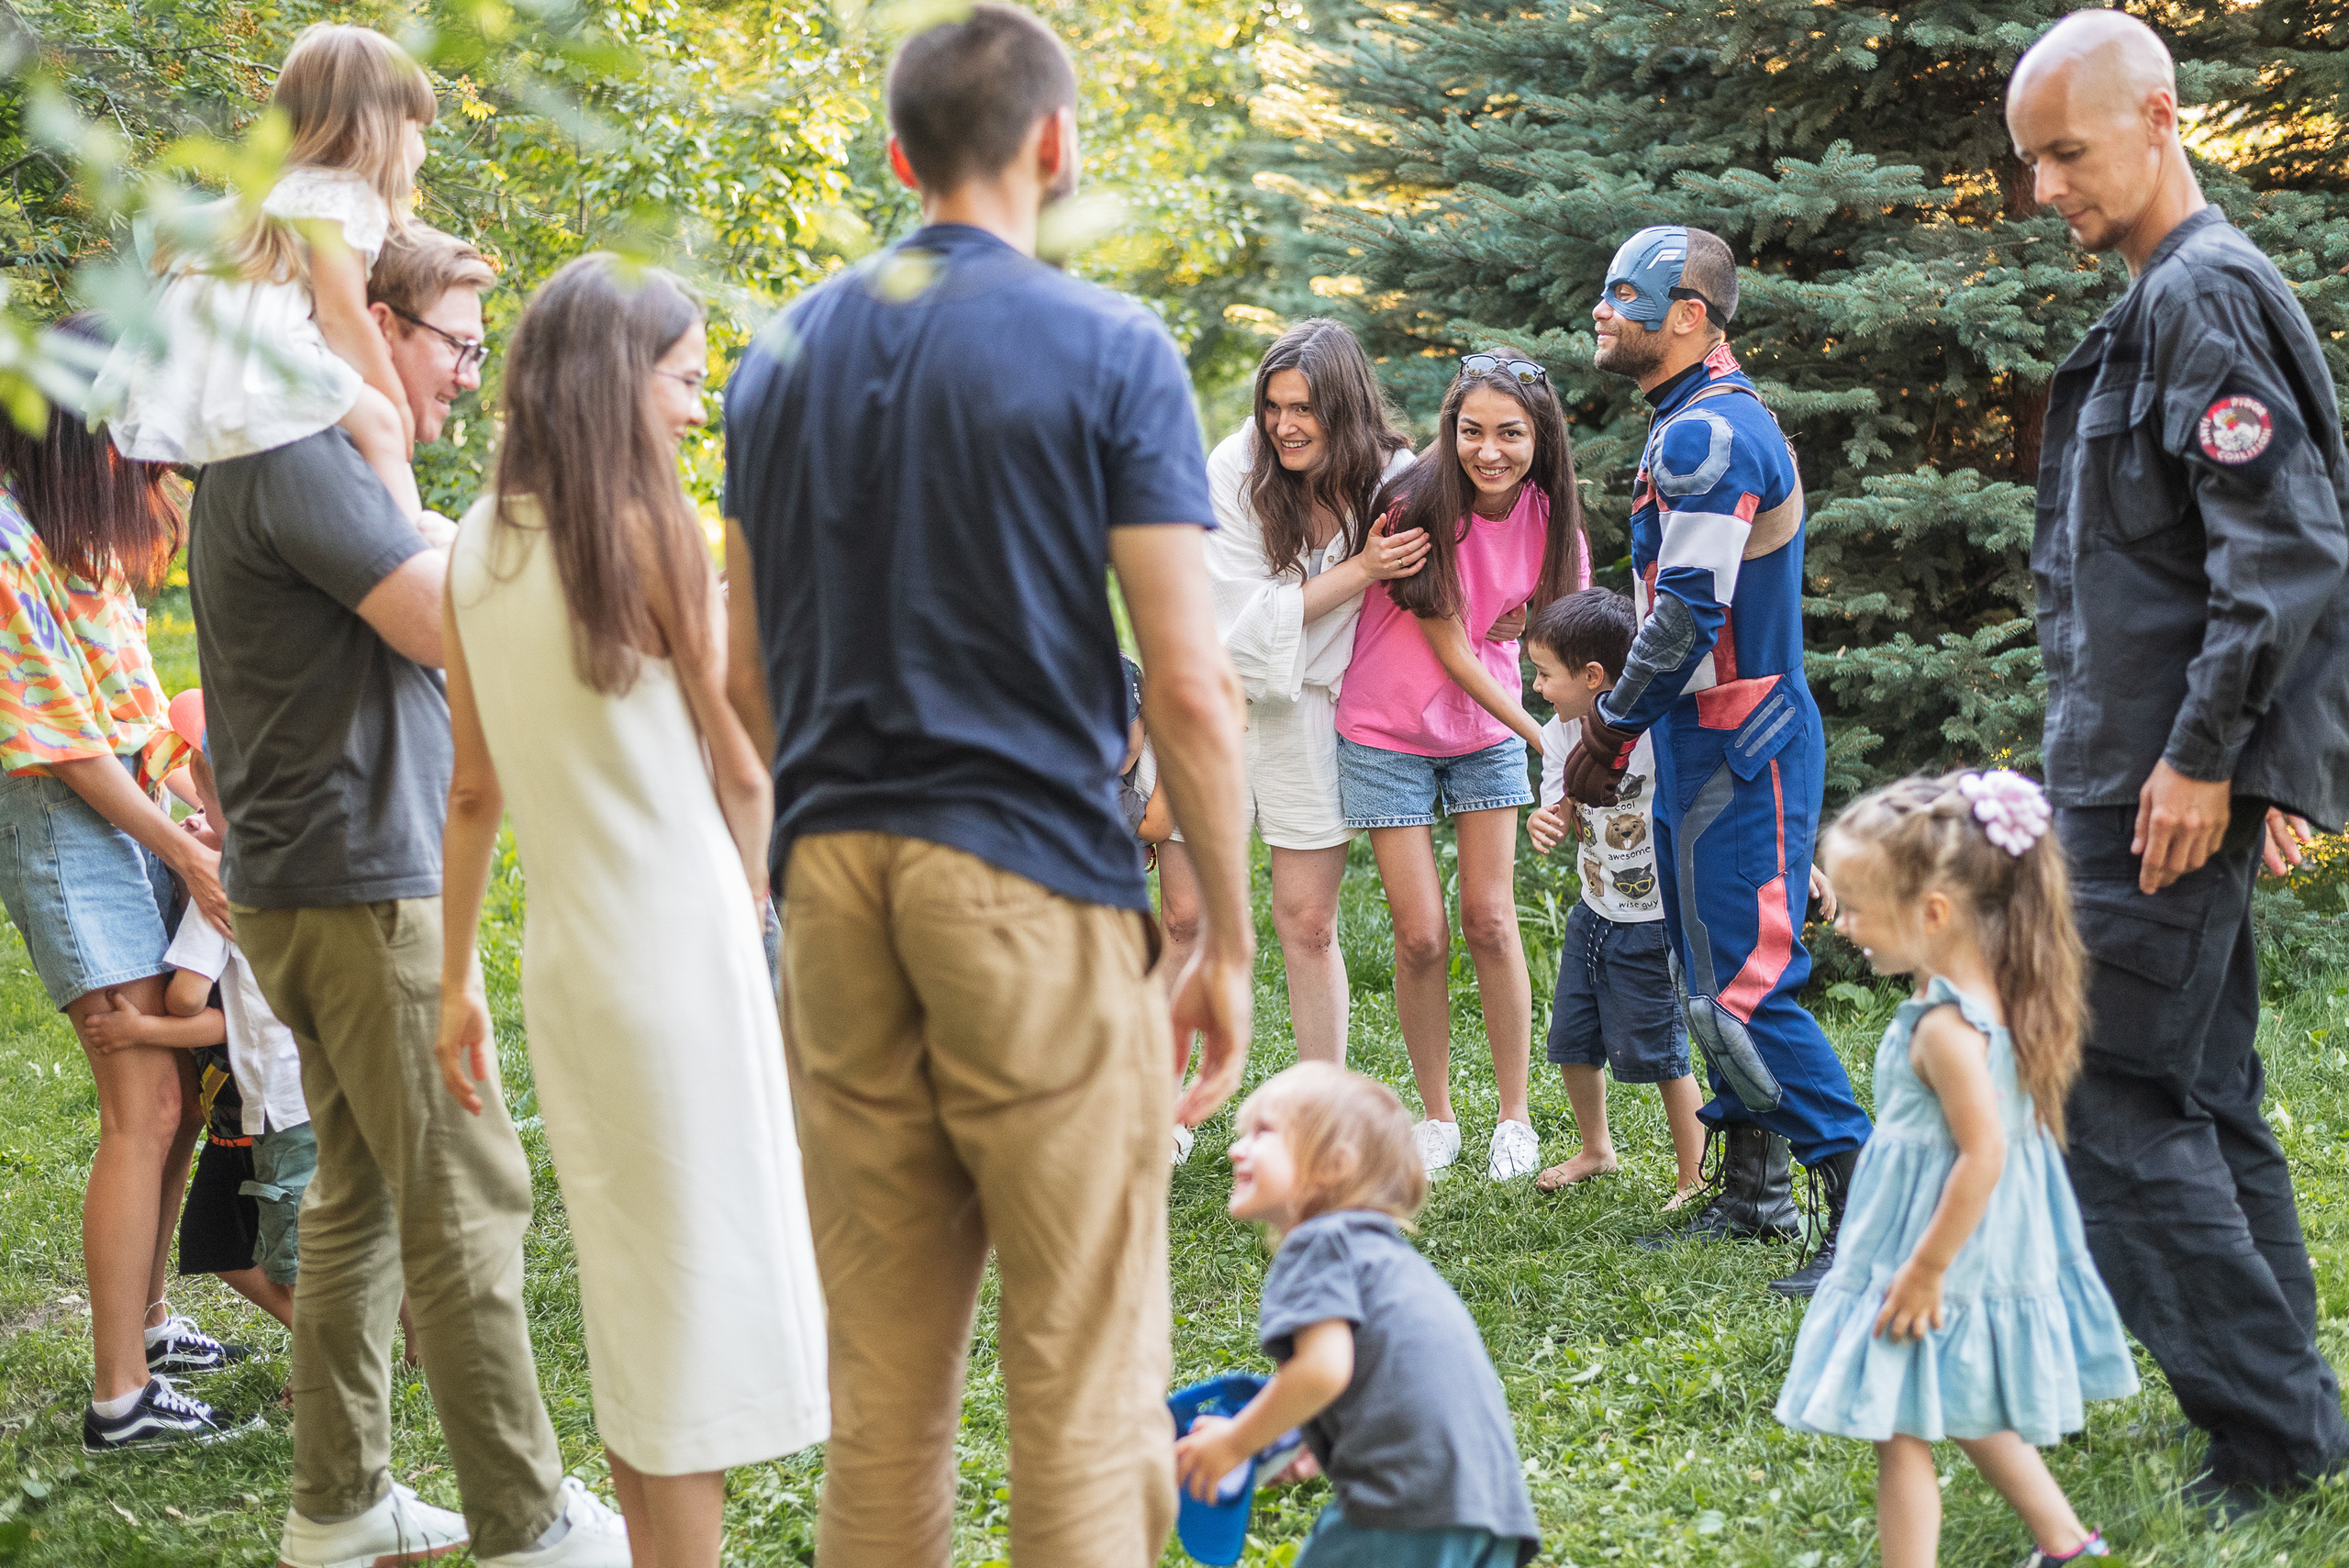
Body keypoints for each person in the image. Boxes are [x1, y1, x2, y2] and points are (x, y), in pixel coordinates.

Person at [719, 8, 1255, 1563]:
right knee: (1085, 1378)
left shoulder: (781, 355)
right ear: (1053, 144)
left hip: (829, 887)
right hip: (1029, 881)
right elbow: (1195, 685)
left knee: (883, 1392)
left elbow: (741, 685)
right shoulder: (1108, 346)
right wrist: (1214, 931)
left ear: (899, 158)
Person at [190, 223, 629, 1568]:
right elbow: (447, 625)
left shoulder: (307, 452)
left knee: (363, 1199)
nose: (465, 374)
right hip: (354, 885)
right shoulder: (301, 453)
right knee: (468, 1186)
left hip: (327, 875)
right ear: (372, 326)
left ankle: (338, 1502)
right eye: (452, 342)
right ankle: (525, 1517)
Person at [2007, 8, 2349, 1514]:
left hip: (2156, 779)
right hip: (2134, 764)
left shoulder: (2200, 297)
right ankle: (2292, 1406)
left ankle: (2269, 1430)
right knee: (2200, 1084)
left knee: (2106, 1091)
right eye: (2029, 161)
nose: (2042, 190)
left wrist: (2214, 758)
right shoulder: (2170, 294)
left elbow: (2282, 550)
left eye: (2065, 153)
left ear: (2159, 116)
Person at [438, 253, 829, 1568]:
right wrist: (783, 916)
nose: (695, 409)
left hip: (568, 967)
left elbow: (473, 790)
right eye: (682, 379)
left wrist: (453, 980)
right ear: (621, 378)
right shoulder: (658, 532)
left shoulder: (474, 543)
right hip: (682, 954)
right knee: (700, 1295)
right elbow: (737, 760)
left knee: (629, 1280)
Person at [1567, 226, 1873, 1296]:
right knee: (1706, 982)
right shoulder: (1686, 422)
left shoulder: (1710, 435)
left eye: (1624, 293)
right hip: (1696, 737)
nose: (1602, 309)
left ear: (1688, 314)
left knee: (1743, 990)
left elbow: (1692, 611)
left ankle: (1869, 1213)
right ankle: (1754, 1192)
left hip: (1740, 741)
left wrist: (1602, 728)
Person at [0, 311, 256, 1453]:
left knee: (185, 1097)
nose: (155, 458)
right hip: (67, 824)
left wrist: (195, 810)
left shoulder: (77, 537)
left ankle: (149, 1325)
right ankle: (120, 1401)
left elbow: (131, 697)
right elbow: (59, 737)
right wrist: (185, 844)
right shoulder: (6, 542)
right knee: (140, 1102)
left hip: (132, 814)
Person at [1776, 771, 2138, 1568]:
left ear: (1933, 913)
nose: (1846, 926)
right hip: (1967, 1236)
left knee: (1898, 1425)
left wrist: (1924, 1271)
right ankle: (2067, 1542)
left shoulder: (1946, 1027)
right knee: (1961, 1401)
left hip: (1936, 1246)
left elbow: (1984, 1153)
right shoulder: (1988, 986)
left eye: (1862, 907)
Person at [1333, 349, 1588, 1179]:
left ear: (1539, 436)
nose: (1490, 450)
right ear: (1450, 430)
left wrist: (1526, 624)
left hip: (1480, 734)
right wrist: (1541, 734)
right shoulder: (1415, 503)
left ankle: (1515, 1119)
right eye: (1472, 430)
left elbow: (1560, 624)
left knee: (1490, 918)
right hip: (1388, 727)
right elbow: (1450, 645)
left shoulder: (1555, 519)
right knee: (1421, 934)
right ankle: (1437, 1116)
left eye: (1510, 433)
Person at [1171, 1062, 1540, 1566]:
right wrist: (1303, 1437)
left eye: (1263, 1133)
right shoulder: (1378, 1256)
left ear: (1334, 1164)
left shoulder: (1317, 1242)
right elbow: (1388, 1377)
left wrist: (1236, 1443)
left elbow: (1323, 1370)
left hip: (1403, 1505)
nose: (1237, 1148)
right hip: (1489, 1507)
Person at [1197, 319, 1424, 1064]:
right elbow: (1236, 626)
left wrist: (1514, 611)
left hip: (1314, 709)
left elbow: (1455, 569)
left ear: (1346, 407)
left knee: (1308, 922)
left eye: (1304, 409)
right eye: (1274, 406)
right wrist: (1359, 569)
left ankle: (1318, 1103)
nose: (1284, 427)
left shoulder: (1395, 476)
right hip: (1217, 705)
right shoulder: (1235, 467)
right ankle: (1164, 1107)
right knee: (1187, 918)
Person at [93, 23, 433, 518]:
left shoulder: (288, 190)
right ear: (376, 125)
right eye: (417, 128)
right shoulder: (341, 199)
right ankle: (411, 533)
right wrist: (398, 401)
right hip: (268, 360)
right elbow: (343, 317)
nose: (422, 147)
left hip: (232, 356)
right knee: (380, 422)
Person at [77, 833, 310, 1335]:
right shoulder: (278, 878)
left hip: (271, 1116)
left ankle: (326, 1353)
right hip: (259, 1113)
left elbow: (195, 1006)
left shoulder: (218, 902)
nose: (187, 818)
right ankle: (379, 1333)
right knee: (232, 1240)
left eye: (203, 807)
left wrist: (141, 1026)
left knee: (291, 1254)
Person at [1524, 589, 1708, 1205]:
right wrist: (1544, 820)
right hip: (1595, 912)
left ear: (1593, 676)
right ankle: (1596, 1148)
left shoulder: (1654, 729)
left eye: (1547, 674)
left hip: (1653, 921)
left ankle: (1694, 1176)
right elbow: (1558, 802)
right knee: (1573, 1039)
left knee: (1663, 1053)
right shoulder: (1558, 734)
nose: (1540, 687)